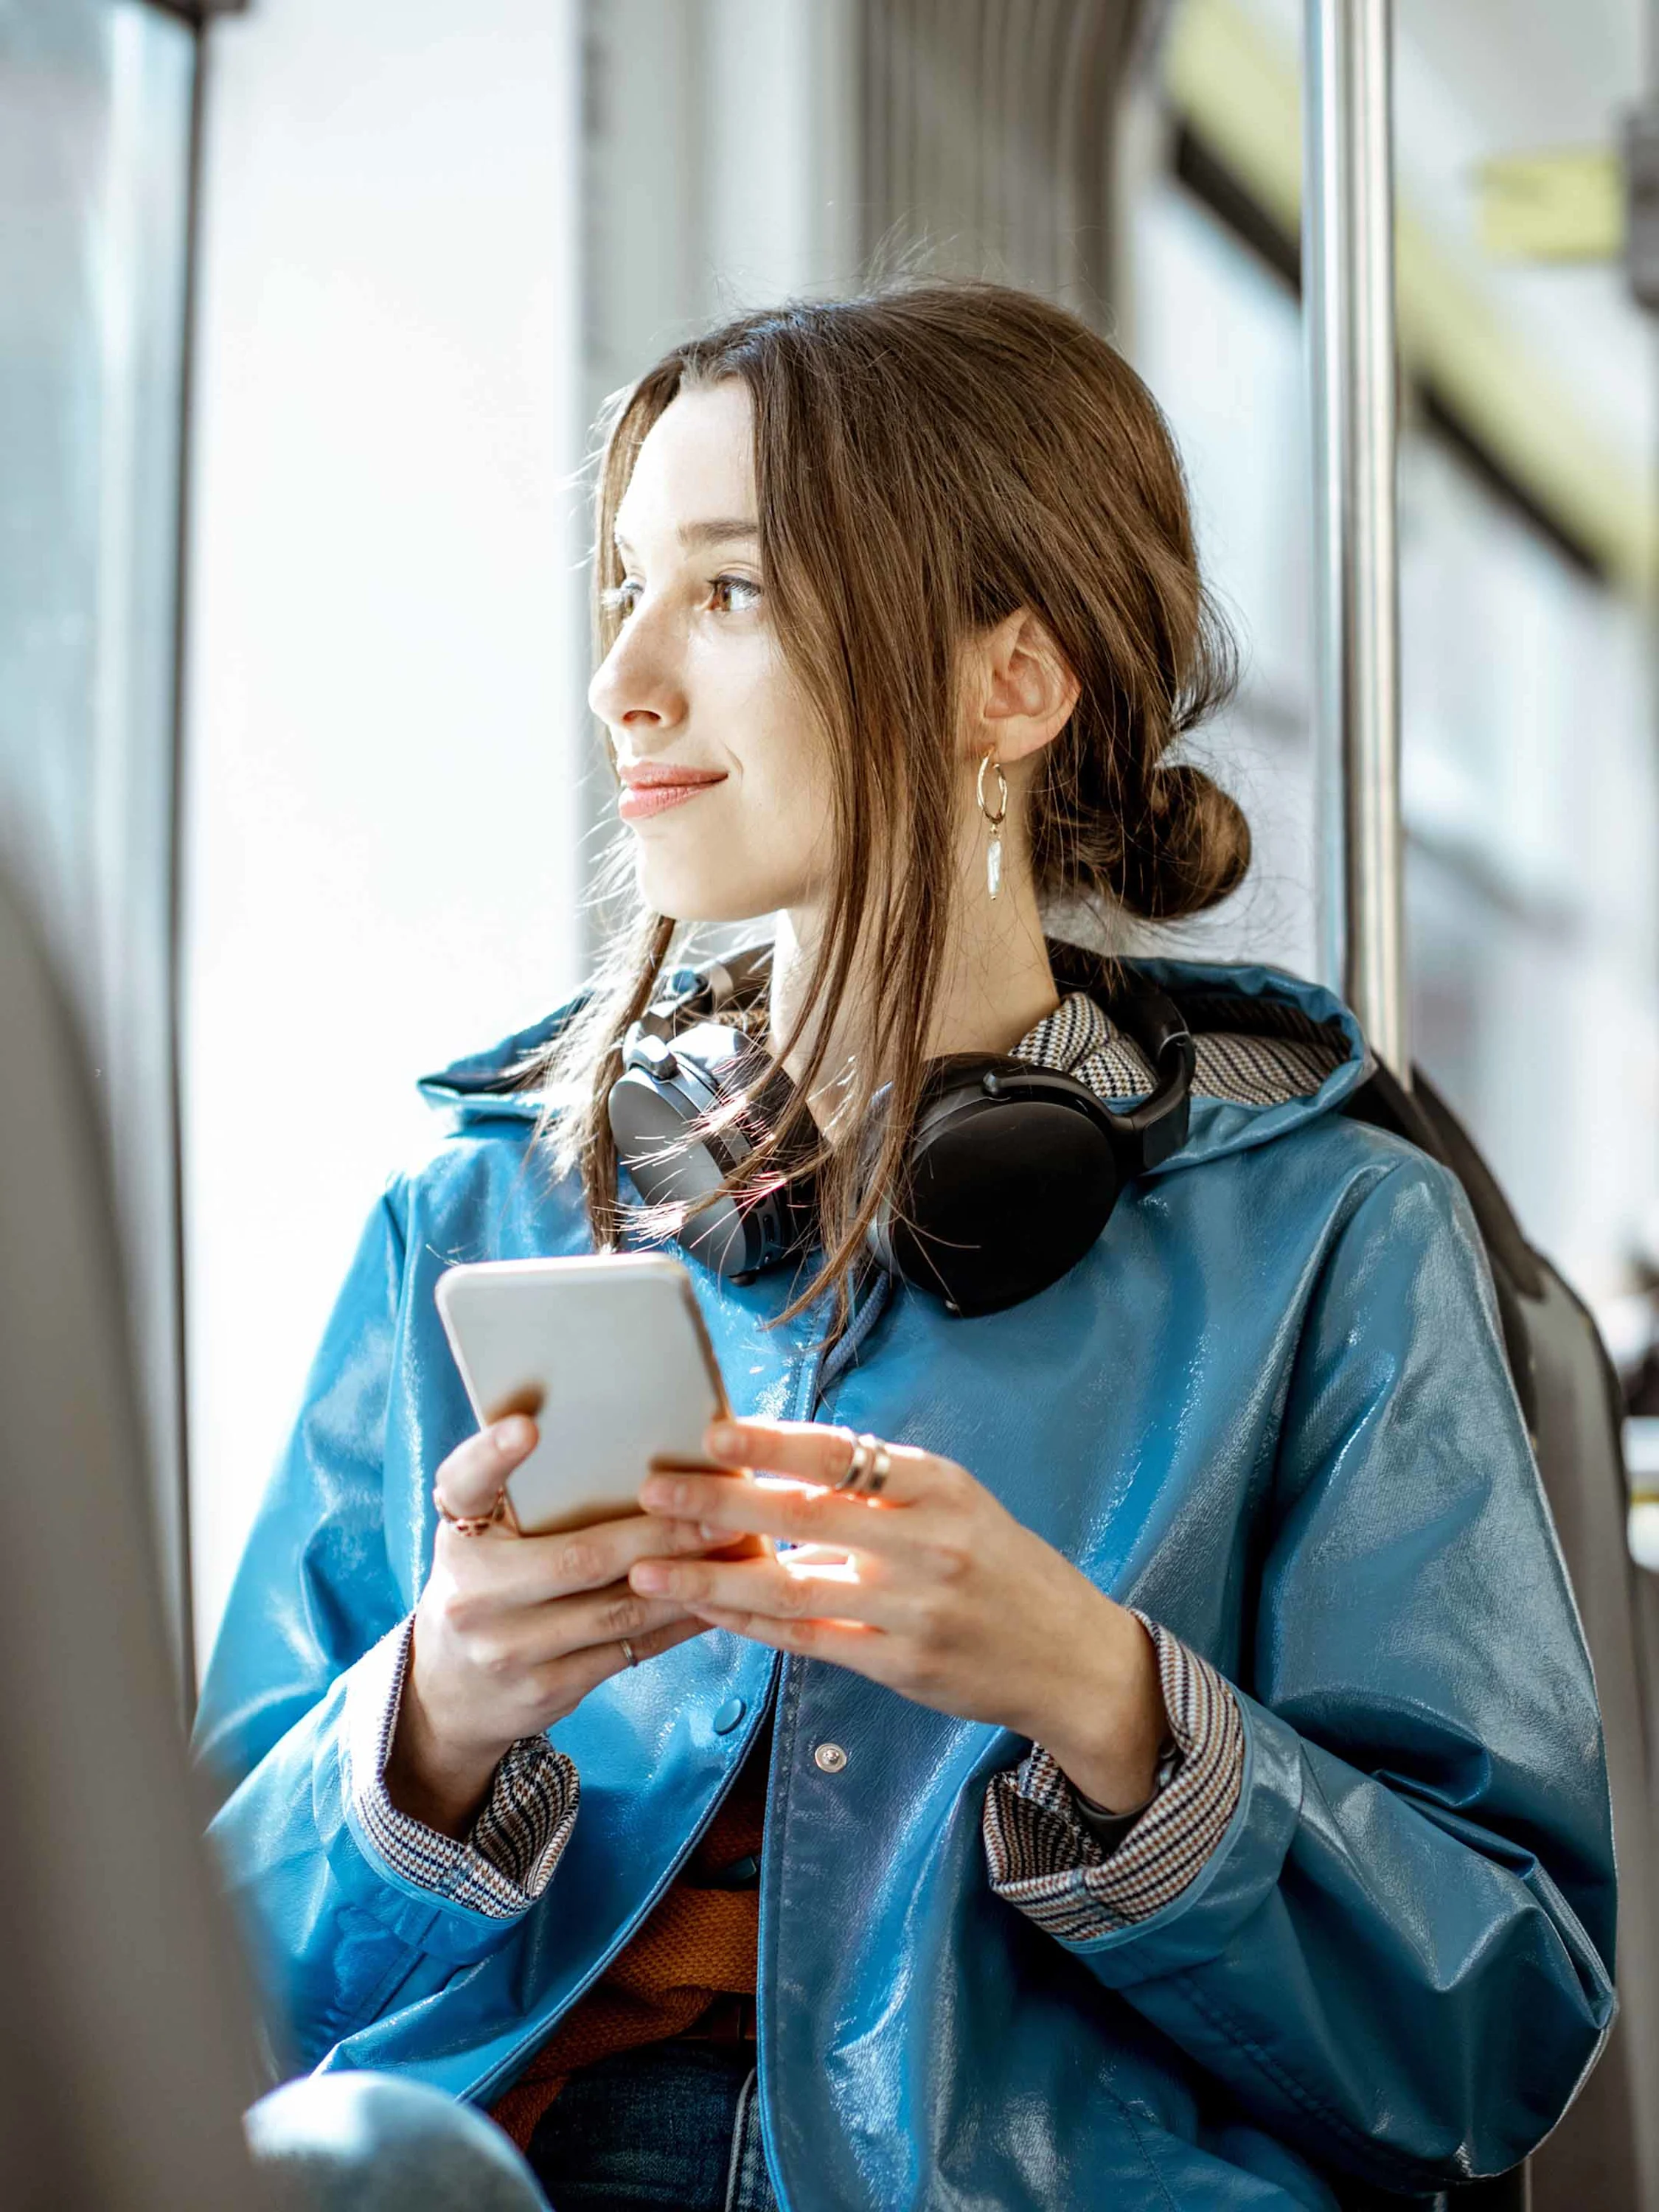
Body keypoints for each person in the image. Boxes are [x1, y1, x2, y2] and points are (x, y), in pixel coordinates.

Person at [198, 282, 1615, 2212]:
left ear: (1009, 687)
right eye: (622, 589)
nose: (625, 679)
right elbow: (180, 1990)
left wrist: (1107, 1698)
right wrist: (432, 1716)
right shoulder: (477, 1217)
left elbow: (1495, 2031)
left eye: (732, 593)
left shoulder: (1337, 1244)